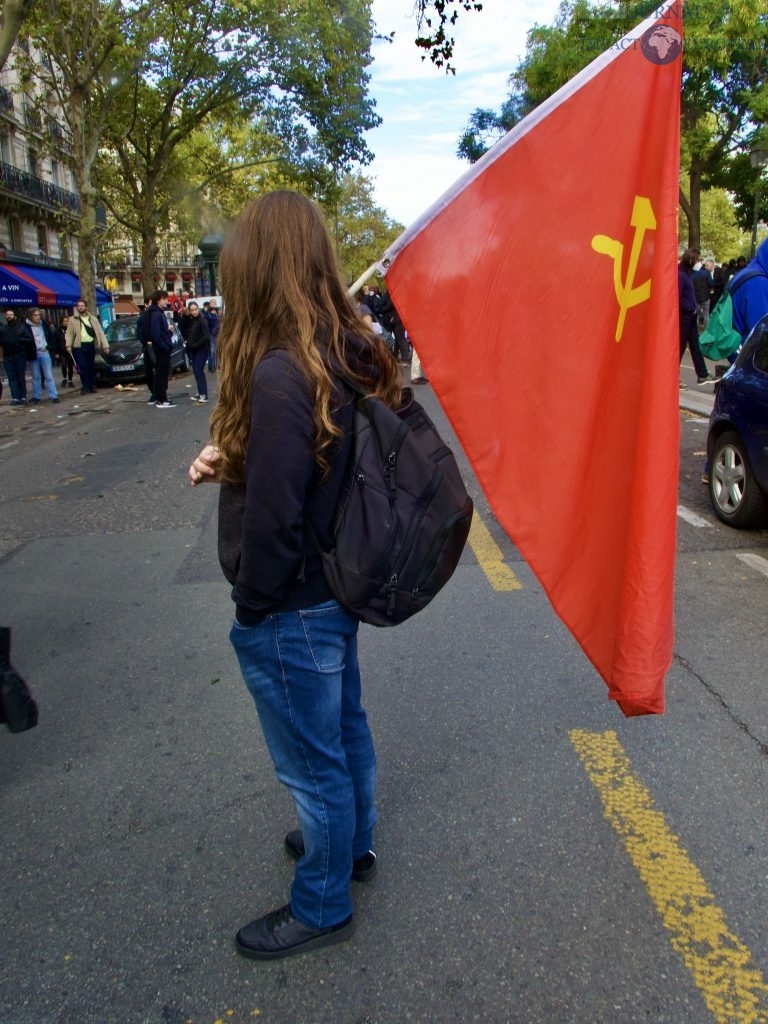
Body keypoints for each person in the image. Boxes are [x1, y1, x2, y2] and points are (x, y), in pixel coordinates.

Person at [188, 190, 400, 961]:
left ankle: (322, 902)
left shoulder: (279, 373)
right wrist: (232, 464)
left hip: (292, 607)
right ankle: (354, 847)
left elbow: (275, 520)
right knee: (345, 732)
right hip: (332, 592)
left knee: (313, 766)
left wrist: (252, 611)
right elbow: (312, 470)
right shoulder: (340, 352)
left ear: (260, 267)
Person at [678, 248, 713, 386]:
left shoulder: (686, 274)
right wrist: (691, 308)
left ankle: (702, 374)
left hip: (690, 316)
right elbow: (678, 298)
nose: (700, 262)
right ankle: (675, 378)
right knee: (680, 348)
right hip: (685, 317)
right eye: (698, 259)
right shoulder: (681, 275)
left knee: (694, 346)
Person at [65, 298, 109, 394]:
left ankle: (91, 385)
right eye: (79, 306)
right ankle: (85, 386)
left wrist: (105, 345)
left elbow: (100, 332)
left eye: (82, 306)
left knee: (90, 366)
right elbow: (69, 334)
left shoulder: (93, 319)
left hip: (90, 345)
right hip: (78, 346)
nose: (80, 307)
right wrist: (68, 345)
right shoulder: (72, 320)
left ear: (86, 307)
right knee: (82, 366)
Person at [730, 237, 768, 342]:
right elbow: (762, 333)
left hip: (739, 347)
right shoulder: (758, 282)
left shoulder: (751, 271)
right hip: (749, 354)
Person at [146, 290, 175, 408]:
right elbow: (155, 334)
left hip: (163, 347)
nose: (167, 301)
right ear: (159, 300)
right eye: (165, 299)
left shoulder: (159, 313)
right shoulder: (156, 314)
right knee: (161, 375)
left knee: (162, 374)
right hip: (161, 349)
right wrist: (164, 346)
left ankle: (162, 398)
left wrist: (168, 332)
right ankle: (161, 400)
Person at [0, 308, 34, 404]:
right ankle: (15, 397)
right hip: (7, 356)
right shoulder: (3, 329)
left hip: (19, 355)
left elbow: (29, 340)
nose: (9, 316)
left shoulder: (21, 327)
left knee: (20, 376)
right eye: (7, 315)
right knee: (12, 378)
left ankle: (23, 396)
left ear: (14, 316)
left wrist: (19, 339)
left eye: (11, 314)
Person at [27, 308, 59, 403]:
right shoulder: (27, 327)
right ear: (31, 316)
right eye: (35, 315)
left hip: (44, 351)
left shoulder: (43, 325)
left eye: (38, 315)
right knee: (36, 375)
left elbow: (50, 337)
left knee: (48, 375)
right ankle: (37, 396)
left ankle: (54, 395)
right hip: (34, 352)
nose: (37, 317)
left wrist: (49, 348)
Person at [185, 300, 210, 403]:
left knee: (199, 370)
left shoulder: (202, 321)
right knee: (196, 371)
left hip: (202, 349)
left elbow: (206, 336)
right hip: (194, 350)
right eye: (192, 310)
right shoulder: (192, 321)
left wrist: (195, 344)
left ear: (198, 309)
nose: (194, 312)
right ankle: (201, 392)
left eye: (195, 309)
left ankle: (203, 394)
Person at [136, 296, 155, 403]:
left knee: (158, 372)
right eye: (150, 304)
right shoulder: (142, 318)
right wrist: (145, 342)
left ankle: (159, 393)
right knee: (149, 372)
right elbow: (138, 333)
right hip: (147, 347)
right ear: (146, 305)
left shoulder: (158, 316)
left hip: (157, 347)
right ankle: (153, 392)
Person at [204, 299, 221, 371]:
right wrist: (213, 315)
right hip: (211, 334)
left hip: (217, 333)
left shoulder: (217, 312)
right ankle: (212, 366)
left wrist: (216, 315)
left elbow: (219, 322)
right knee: (212, 350)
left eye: (215, 303)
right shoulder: (207, 313)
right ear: (210, 304)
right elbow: (207, 322)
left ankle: (217, 365)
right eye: (212, 303)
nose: (214, 304)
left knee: (217, 350)